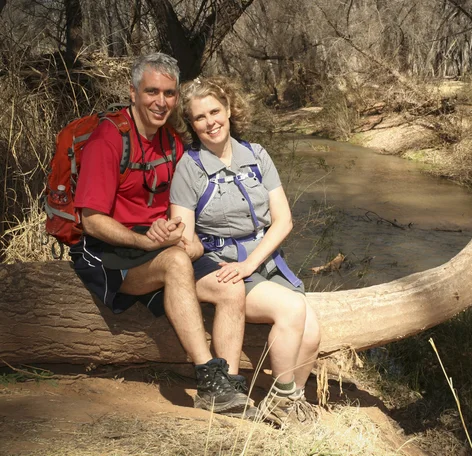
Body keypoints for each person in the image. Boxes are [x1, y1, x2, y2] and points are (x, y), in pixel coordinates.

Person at [69, 54, 254, 418]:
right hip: (111, 253)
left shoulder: (171, 141)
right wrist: (145, 242)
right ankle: (207, 376)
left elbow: (185, 207)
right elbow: (91, 220)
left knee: (230, 286)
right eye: (152, 91)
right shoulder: (109, 139)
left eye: (169, 93)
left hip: (160, 245)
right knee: (173, 261)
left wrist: (188, 235)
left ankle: (228, 385)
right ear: (133, 92)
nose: (161, 101)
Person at [155, 76, 321, 426]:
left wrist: (251, 263)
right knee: (291, 309)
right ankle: (283, 401)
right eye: (199, 117)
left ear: (229, 110)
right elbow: (183, 234)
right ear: (191, 123)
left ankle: (288, 399)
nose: (210, 122)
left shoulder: (257, 155)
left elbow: (283, 220)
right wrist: (188, 241)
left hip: (260, 262)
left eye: (215, 111)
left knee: (313, 332)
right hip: (219, 267)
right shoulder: (190, 167)